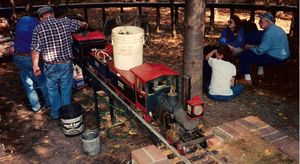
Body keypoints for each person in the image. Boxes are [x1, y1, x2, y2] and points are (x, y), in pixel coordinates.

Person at [31, 6, 88, 119]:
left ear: (41, 18)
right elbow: (81, 24)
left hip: (49, 65)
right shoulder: (65, 22)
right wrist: (84, 24)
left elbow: (35, 50)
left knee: (52, 90)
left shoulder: (38, 28)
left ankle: (55, 114)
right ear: (52, 14)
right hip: (65, 63)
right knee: (66, 89)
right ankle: (66, 114)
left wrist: (35, 66)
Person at [237, 12, 290, 85]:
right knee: (257, 48)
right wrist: (253, 46)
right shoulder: (278, 29)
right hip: (283, 56)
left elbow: (260, 51)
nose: (259, 23)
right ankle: (260, 73)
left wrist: (249, 48)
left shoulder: (269, 32)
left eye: (261, 21)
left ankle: (247, 79)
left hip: (276, 58)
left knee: (246, 55)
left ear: (268, 22)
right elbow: (266, 46)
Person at [13, 12, 49, 112]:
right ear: (39, 17)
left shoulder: (21, 21)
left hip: (18, 57)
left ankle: (35, 107)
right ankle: (49, 104)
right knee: (41, 81)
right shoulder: (37, 23)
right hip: (31, 58)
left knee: (28, 84)